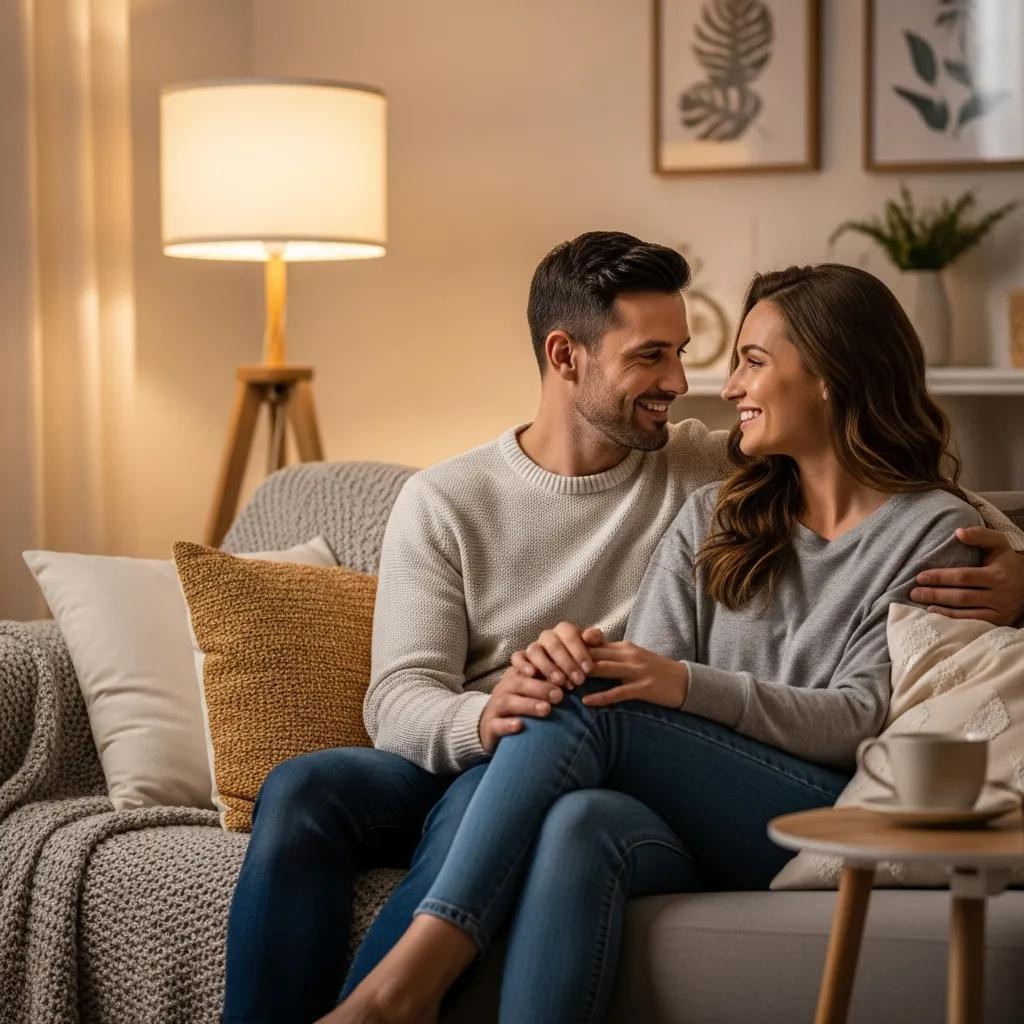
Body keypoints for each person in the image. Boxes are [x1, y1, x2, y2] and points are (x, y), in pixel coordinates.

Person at [221, 234, 1023, 1024]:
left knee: (580, 705)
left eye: (730, 357)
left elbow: (922, 521)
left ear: (831, 377)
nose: (691, 382)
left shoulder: (714, 467)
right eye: (653, 357)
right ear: (566, 356)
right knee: (334, 788)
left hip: (671, 754)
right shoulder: (686, 504)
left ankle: (396, 994)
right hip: (513, 745)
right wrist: (493, 712)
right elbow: (400, 697)